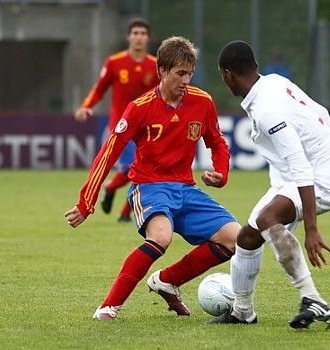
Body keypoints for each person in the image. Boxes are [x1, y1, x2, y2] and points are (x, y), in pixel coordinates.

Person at [65, 36, 240, 320]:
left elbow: (217, 143)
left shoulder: (202, 102)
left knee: (237, 239)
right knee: (161, 237)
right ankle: (108, 307)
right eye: (179, 73)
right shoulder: (140, 108)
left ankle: (168, 281)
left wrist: (222, 173)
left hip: (186, 189)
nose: (186, 80)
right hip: (149, 186)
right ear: (162, 71)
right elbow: (108, 153)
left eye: (190, 73)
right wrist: (86, 202)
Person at [208, 40, 330, 329]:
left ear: (227, 75)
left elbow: (300, 164)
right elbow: (321, 112)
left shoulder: (266, 110)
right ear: (256, 67)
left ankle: (313, 298)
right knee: (247, 238)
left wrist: (311, 228)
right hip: (299, 175)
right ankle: (242, 311)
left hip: (322, 176)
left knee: (267, 218)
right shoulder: (273, 81)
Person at [74, 18, 160, 222]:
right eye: (135, 33)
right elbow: (100, 89)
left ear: (148, 38)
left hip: (147, 126)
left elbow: (160, 95)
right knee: (132, 166)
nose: (139, 37)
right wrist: (86, 106)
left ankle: (123, 210)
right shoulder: (114, 62)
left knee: (149, 169)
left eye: (142, 33)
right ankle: (112, 188)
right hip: (121, 125)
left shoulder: (155, 65)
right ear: (128, 37)